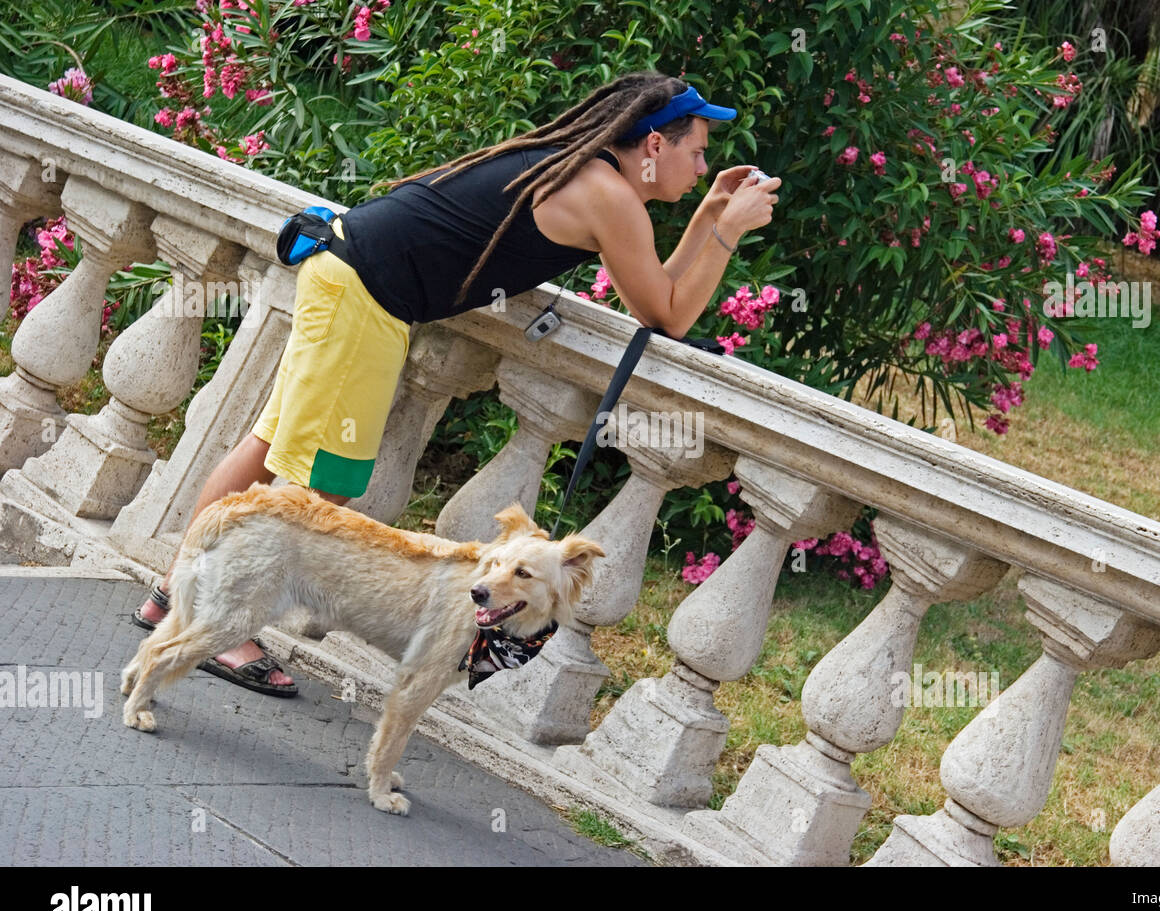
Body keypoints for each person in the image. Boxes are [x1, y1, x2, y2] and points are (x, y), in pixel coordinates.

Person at [131, 69, 782, 695]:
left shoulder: (589, 176)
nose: (702, 169)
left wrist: (708, 218)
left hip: (346, 273)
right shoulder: (607, 193)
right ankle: (214, 622)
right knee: (321, 486)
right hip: (366, 299)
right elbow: (665, 314)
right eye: (697, 154)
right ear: (655, 145)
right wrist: (726, 228)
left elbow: (656, 291)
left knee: (266, 445)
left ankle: (177, 592)